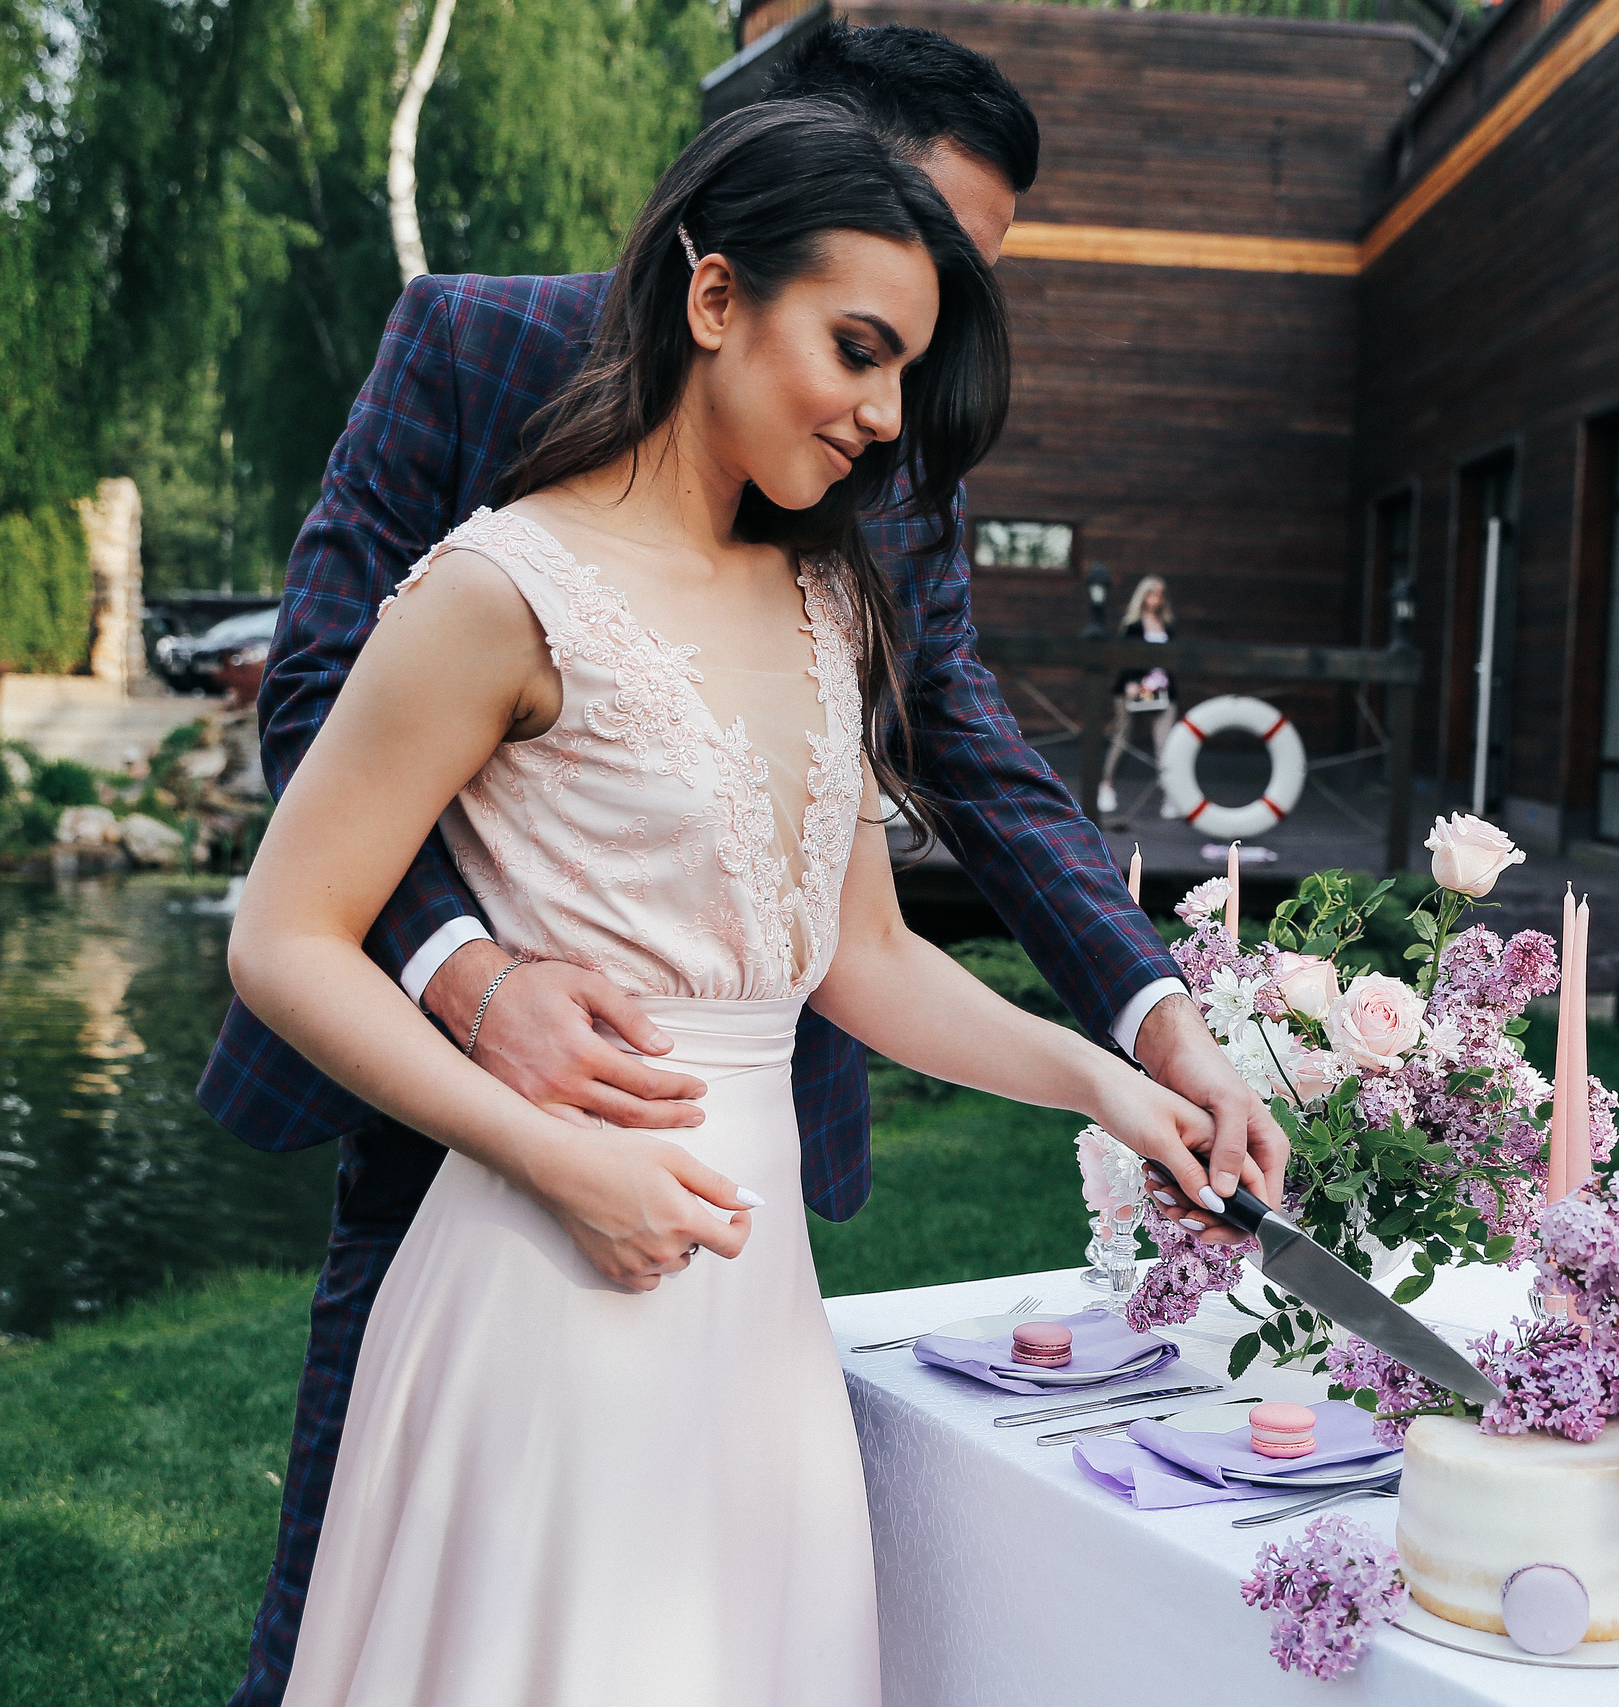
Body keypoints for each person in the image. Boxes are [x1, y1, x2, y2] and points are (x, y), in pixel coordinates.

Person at [198, 23, 1289, 1707]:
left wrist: (1126, 1060)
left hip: (748, 1279)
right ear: (729, 272)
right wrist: (478, 996)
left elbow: (880, 921)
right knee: (416, 1625)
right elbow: (307, 820)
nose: (893, 406)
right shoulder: (498, 533)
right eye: (868, 334)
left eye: (928, 337)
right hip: (524, 1220)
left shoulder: (837, 571)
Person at [1100, 573, 1177, 815]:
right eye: (1152, 594)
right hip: (1134, 690)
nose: (1157, 599)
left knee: (1166, 744)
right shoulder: (1132, 626)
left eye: (1161, 594)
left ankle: (1170, 795)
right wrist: (1131, 683)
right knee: (1122, 737)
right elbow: (1124, 659)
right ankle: (1106, 786)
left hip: (1163, 692)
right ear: (1143, 596)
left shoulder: (1168, 626)